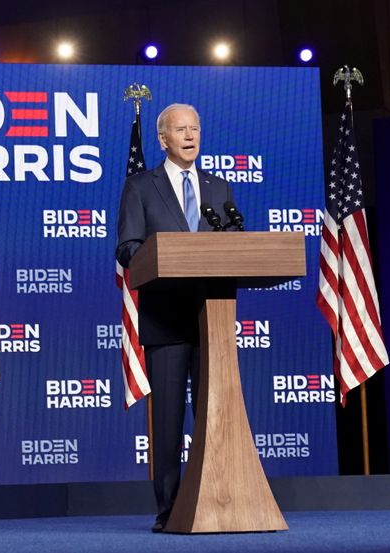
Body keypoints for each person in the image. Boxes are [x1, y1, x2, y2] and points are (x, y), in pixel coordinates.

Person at [115, 104, 234, 533]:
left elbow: (234, 247)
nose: (190, 135)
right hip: (166, 319)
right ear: (163, 139)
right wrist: (162, 256)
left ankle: (216, 502)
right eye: (181, 129)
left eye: (196, 128)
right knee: (168, 421)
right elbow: (127, 248)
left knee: (214, 416)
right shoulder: (141, 187)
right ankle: (169, 511)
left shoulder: (219, 188)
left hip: (212, 320)